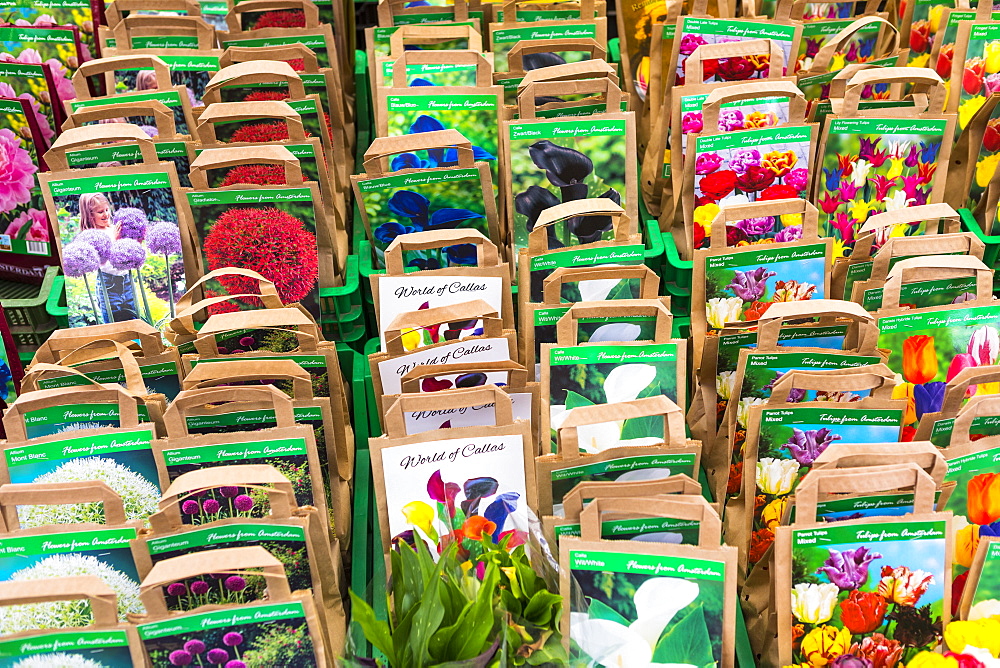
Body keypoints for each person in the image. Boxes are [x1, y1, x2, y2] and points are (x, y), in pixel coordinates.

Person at [78, 192, 138, 322]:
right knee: (112, 319)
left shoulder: (113, 228)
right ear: (89, 215)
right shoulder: (91, 236)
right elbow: (101, 261)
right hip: (108, 285)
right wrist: (115, 240)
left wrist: (137, 240)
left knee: (134, 316)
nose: (106, 214)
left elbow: (127, 252)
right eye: (100, 212)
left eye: (106, 209)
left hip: (127, 281)